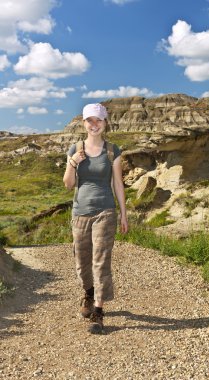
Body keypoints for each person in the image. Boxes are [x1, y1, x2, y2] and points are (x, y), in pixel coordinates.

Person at [63, 103, 128, 335]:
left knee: (101, 262)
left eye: (98, 120)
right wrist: (73, 163)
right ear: (83, 123)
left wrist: (123, 213)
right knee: (82, 264)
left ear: (105, 122)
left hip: (105, 212)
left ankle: (99, 311)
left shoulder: (113, 151)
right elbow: (68, 184)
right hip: (80, 212)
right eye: (90, 120)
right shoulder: (75, 149)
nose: (94, 124)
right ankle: (89, 293)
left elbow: (117, 183)